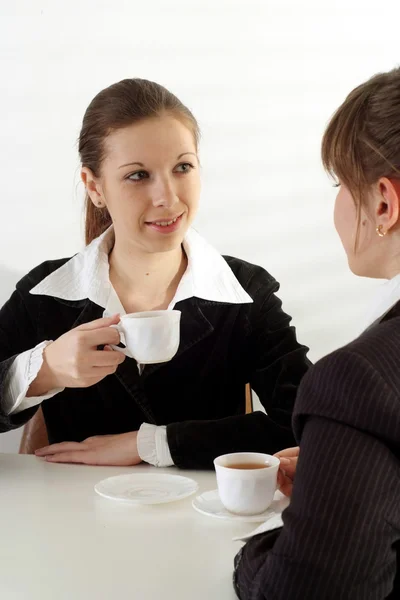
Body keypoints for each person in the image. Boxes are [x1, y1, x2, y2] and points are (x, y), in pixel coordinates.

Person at [0, 78, 310, 469]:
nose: (168, 197)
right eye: (138, 175)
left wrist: (152, 444)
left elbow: (310, 423)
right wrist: (43, 370)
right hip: (73, 521)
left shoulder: (247, 294)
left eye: (182, 167)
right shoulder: (45, 295)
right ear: (94, 187)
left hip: (204, 521)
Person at [234, 66, 400, 599]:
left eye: (338, 185)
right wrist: (349, 481)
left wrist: (257, 553)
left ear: (382, 203)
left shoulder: (357, 381)